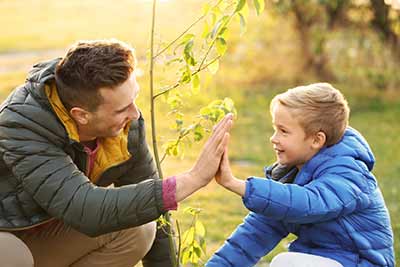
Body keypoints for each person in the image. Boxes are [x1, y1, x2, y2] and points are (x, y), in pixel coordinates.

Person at [0, 39, 233, 267]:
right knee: (13, 255)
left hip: (44, 233)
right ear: (81, 115)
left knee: (139, 228)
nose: (134, 113)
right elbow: (84, 209)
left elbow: (153, 209)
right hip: (7, 236)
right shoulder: (22, 124)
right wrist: (192, 179)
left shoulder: (125, 126)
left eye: (134, 99)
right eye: (122, 109)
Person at [206, 83, 395, 267]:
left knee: (287, 263)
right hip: (324, 261)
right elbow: (250, 239)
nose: (274, 138)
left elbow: (309, 203)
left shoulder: (348, 173)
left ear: (316, 140)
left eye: (283, 131)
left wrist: (237, 184)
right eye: (275, 129)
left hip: (362, 262)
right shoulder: (291, 177)